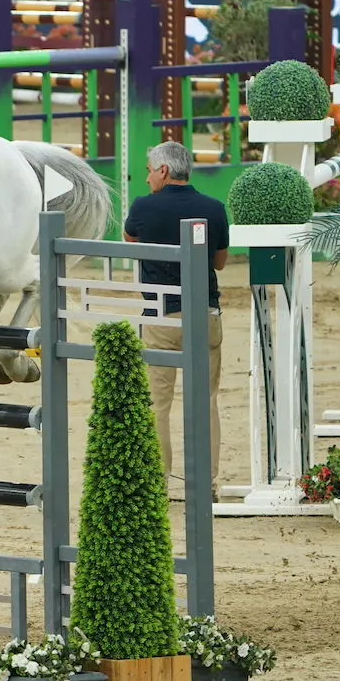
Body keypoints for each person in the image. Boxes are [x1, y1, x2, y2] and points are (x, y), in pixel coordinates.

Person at [122, 141, 229, 500]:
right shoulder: (213, 207)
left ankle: (159, 483)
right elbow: (219, 262)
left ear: (164, 171)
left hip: (160, 315)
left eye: (150, 170)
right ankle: (207, 485)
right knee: (206, 400)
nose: (148, 177)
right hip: (204, 312)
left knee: (158, 403)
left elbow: (131, 241)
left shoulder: (143, 206)